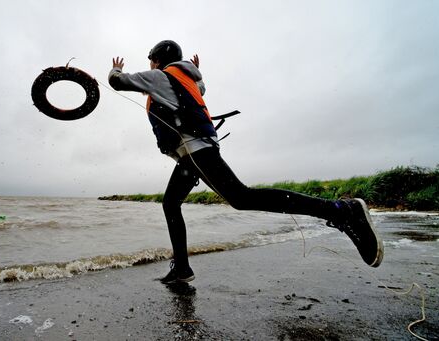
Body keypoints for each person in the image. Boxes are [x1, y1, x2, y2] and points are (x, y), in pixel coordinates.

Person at [108, 40, 384, 284]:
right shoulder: (185, 79)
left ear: (158, 59)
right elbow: (201, 87)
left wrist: (116, 70)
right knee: (170, 203)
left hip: (195, 151)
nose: (150, 64)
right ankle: (181, 267)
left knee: (241, 197)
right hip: (190, 156)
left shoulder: (160, 76)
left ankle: (341, 211)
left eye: (151, 59)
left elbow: (118, 82)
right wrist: (195, 70)